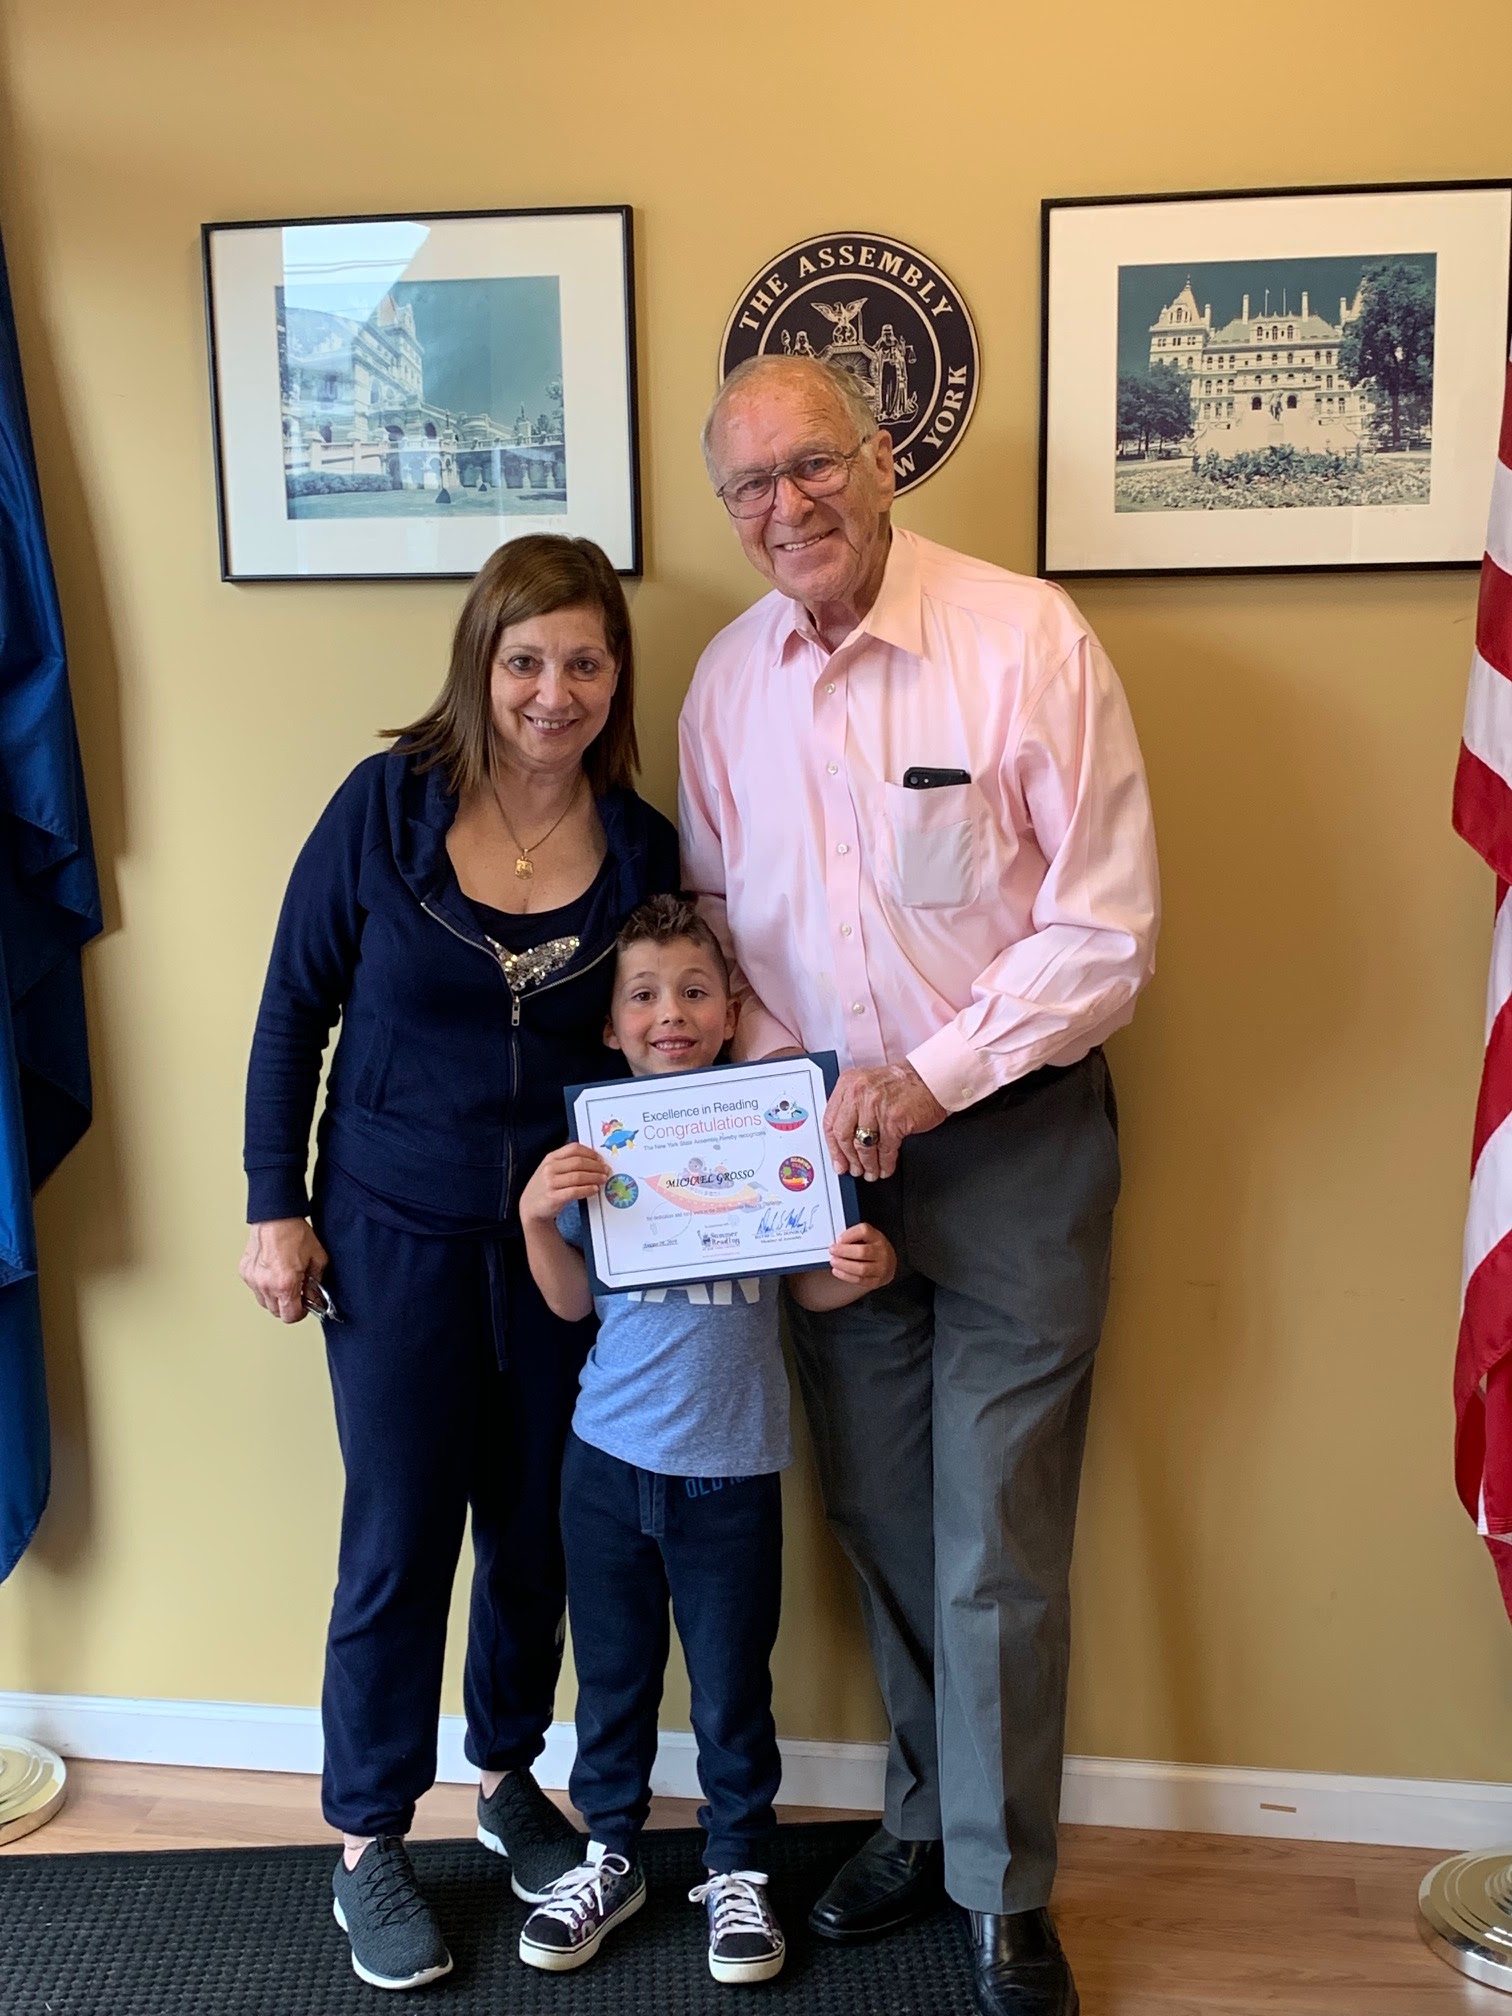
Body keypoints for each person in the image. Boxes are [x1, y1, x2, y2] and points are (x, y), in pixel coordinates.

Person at [681, 355, 1160, 2016]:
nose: (785, 509)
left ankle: (1005, 1890)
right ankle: (921, 1813)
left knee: (995, 1535)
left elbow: (1103, 932)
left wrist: (928, 1076)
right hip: (824, 1162)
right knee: (883, 1517)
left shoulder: (1025, 639)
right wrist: (789, 1100)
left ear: (881, 461)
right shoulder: (724, 685)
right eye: (748, 488)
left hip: (1013, 1141)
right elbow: (715, 938)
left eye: (811, 467)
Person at [239, 534, 679, 1992]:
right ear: (481, 665)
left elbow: (674, 1044)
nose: (554, 692)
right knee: (400, 1536)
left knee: (536, 1531)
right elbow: (291, 1011)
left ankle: (503, 1781)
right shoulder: (385, 811)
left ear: (616, 678)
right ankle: (369, 1837)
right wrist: (274, 1206)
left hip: (563, 1257)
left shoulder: (644, 848)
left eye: (584, 662)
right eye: (526, 661)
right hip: (390, 1236)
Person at [516, 894, 897, 1985]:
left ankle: (737, 1868)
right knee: (615, 1681)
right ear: (610, 1025)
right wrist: (537, 1216)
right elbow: (569, 1309)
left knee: (734, 1688)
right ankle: (609, 1855)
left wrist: (854, 1270)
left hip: (731, 1470)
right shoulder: (595, 1153)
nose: (668, 1014)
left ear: (731, 1013)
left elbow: (812, 1289)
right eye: (642, 995)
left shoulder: (775, 1130)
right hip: (607, 1463)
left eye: (693, 992)